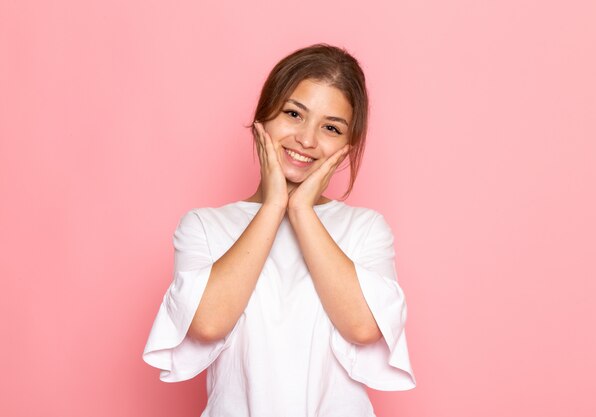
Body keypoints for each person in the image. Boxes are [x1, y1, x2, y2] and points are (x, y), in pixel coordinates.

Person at [143, 43, 416, 417]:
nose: (306, 139)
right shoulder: (205, 226)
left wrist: (301, 209)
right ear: (263, 117)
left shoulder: (366, 229)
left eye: (331, 128)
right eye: (293, 114)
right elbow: (206, 324)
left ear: (346, 147)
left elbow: (364, 327)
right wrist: (274, 206)